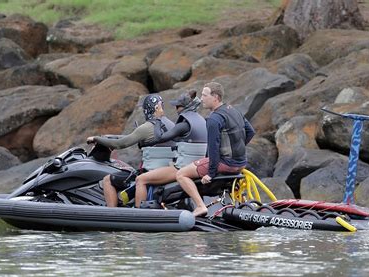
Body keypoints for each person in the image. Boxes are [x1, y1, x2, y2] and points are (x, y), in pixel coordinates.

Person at [176, 82, 255, 217]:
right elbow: (250, 131)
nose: (201, 99)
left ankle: (200, 207)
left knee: (181, 174)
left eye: (204, 95)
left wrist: (211, 174)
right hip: (241, 164)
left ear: (216, 97)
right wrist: (237, 149)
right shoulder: (234, 110)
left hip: (226, 164)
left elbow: (213, 148)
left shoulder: (214, 119)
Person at [87, 94, 174, 207]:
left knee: (108, 180)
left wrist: (96, 138)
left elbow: (121, 143)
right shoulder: (172, 124)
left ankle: (115, 215)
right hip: (167, 170)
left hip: (151, 171)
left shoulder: (147, 127)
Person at [134, 90, 207, 207]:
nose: (175, 109)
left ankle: (137, 214)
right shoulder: (201, 120)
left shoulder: (184, 125)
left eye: (177, 106)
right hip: (197, 166)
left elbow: (160, 137)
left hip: (181, 168)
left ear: (183, 107)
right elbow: (176, 142)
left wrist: (157, 119)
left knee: (141, 180)